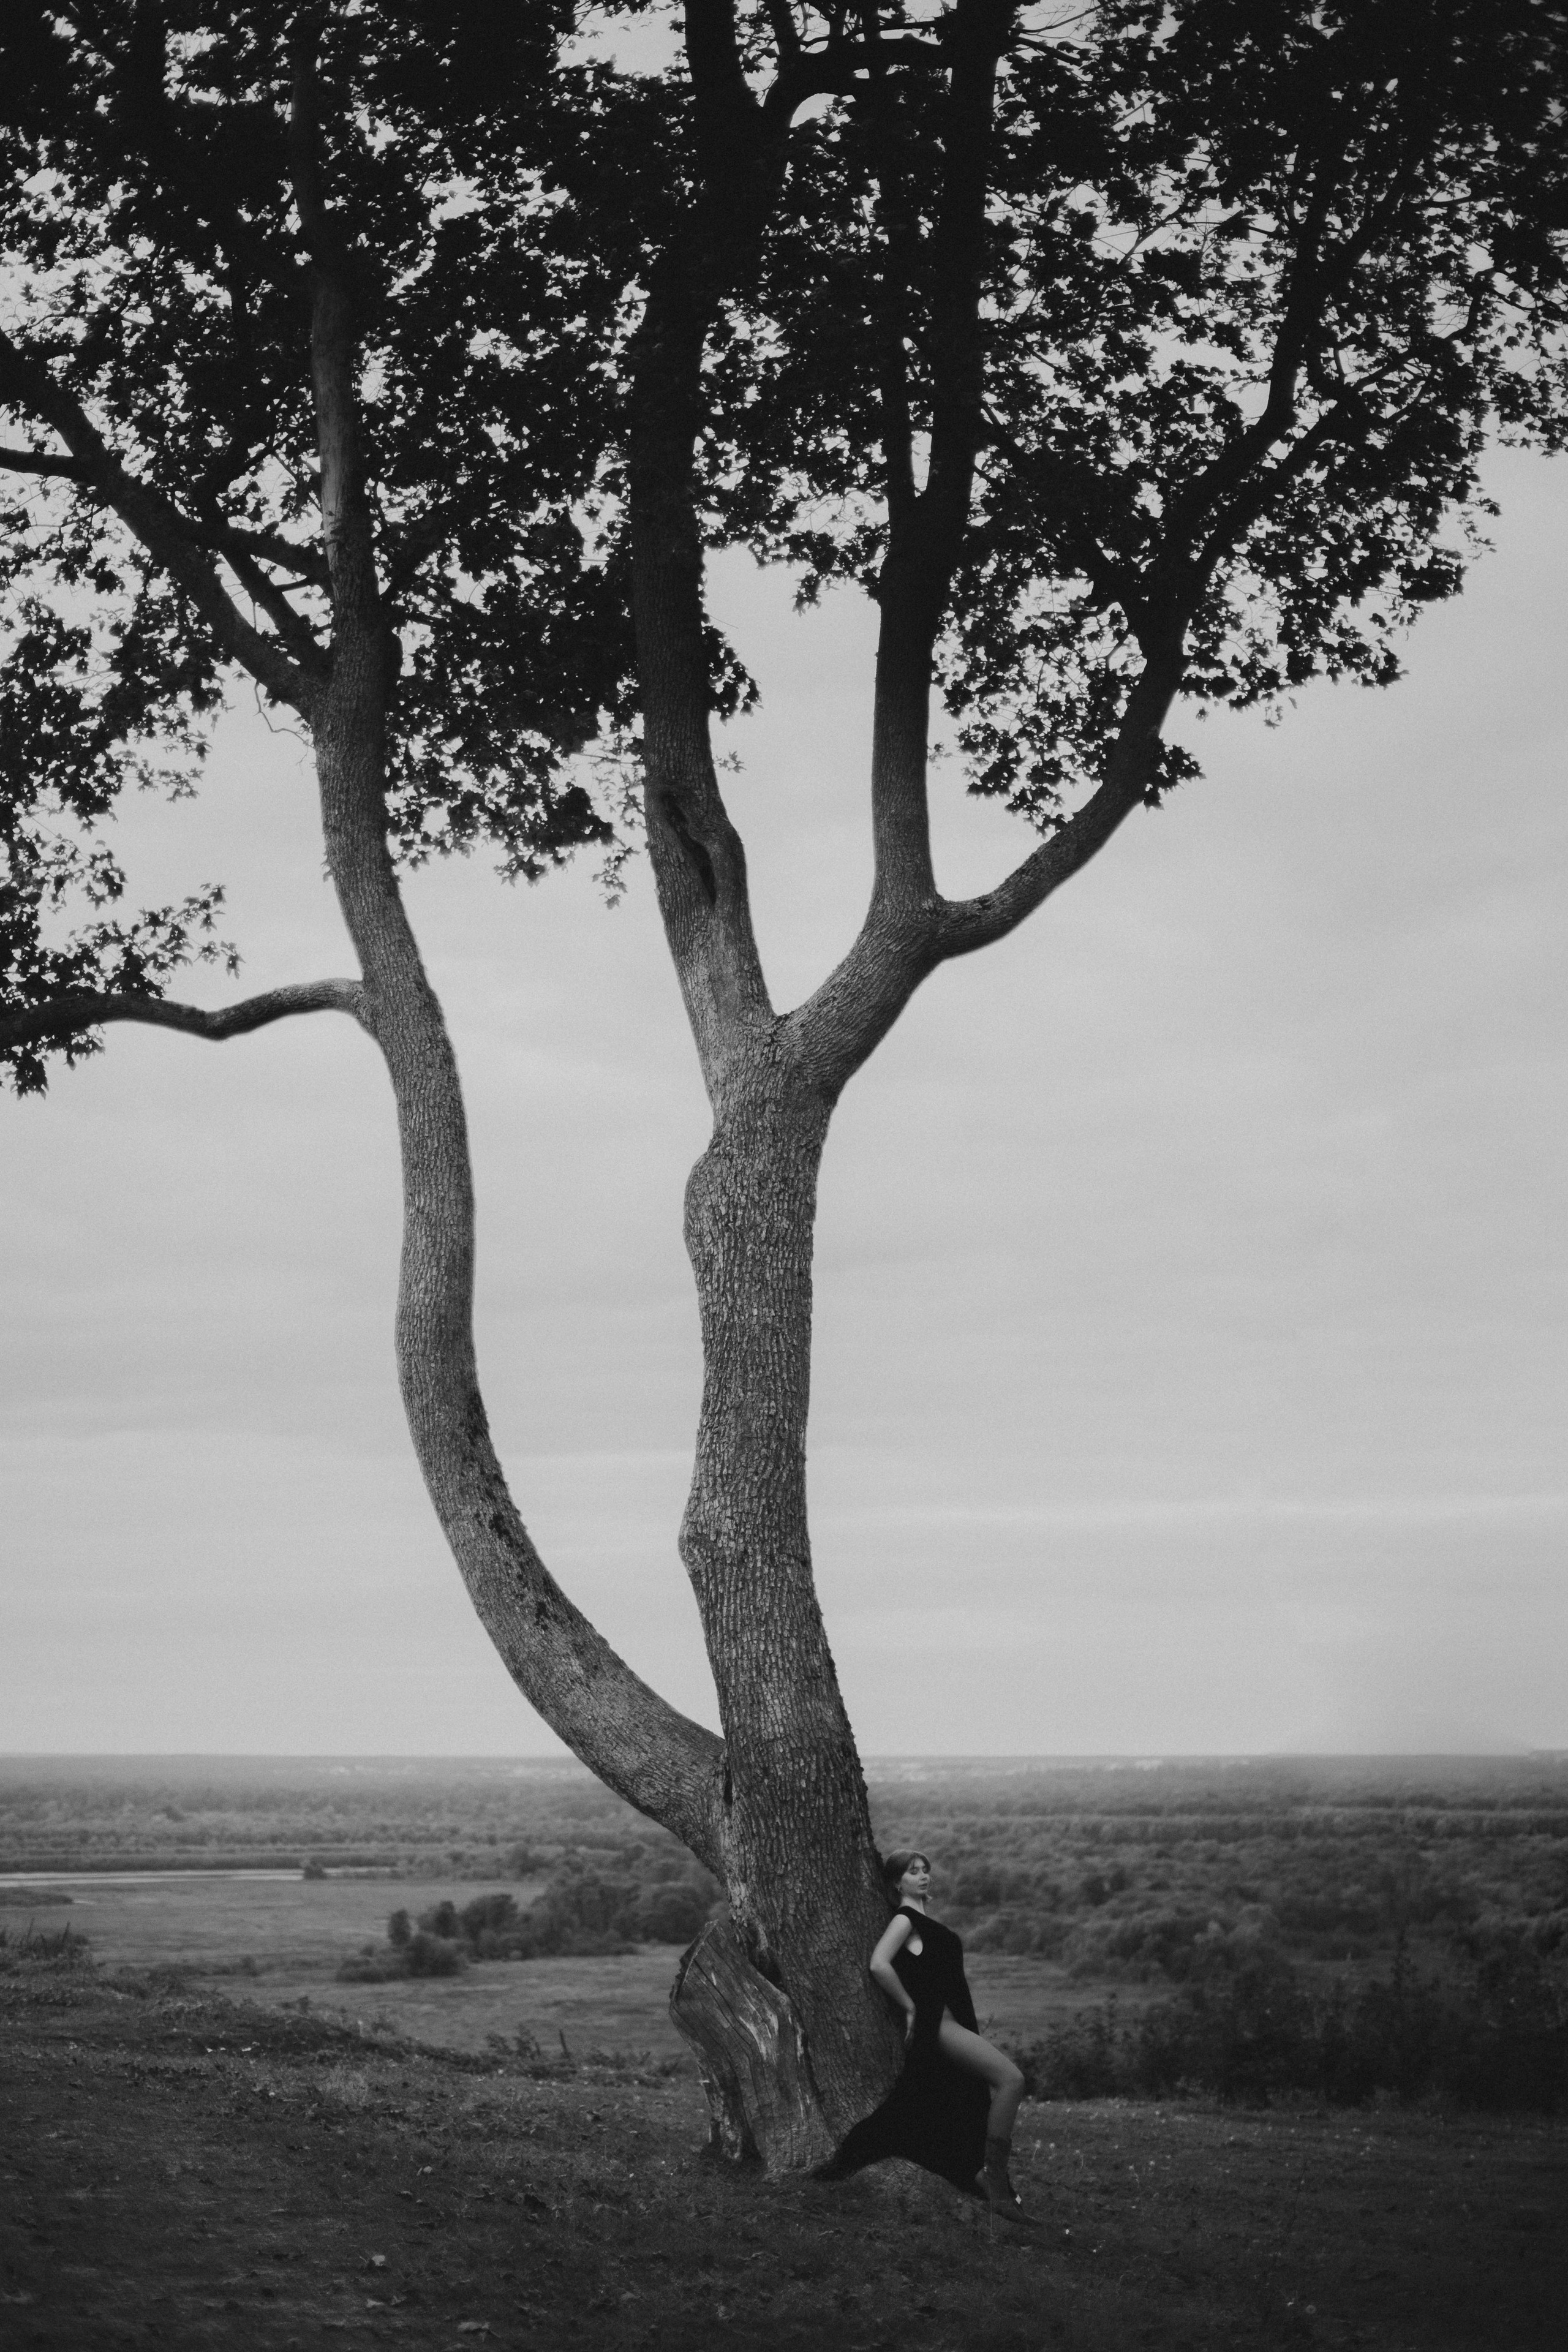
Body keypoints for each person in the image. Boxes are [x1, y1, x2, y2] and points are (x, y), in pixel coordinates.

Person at [815, 1850, 1031, 2220]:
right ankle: (993, 2179)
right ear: (897, 1883)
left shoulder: (923, 1919)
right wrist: (911, 2006)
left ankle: (990, 2178)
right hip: (939, 2026)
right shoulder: (904, 1918)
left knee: (981, 2092)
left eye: (925, 1870)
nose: (923, 1876)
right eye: (913, 1872)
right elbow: (879, 1963)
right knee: (1012, 2080)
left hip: (951, 2023)